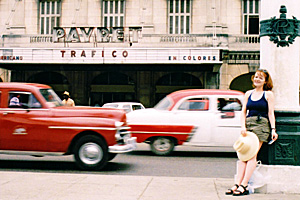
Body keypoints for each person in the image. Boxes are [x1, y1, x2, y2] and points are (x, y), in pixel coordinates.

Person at [225, 69, 278, 196]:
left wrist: (273, 130)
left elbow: (271, 113)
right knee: (243, 155)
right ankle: (237, 184)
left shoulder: (268, 94)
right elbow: (243, 111)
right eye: (256, 77)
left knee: (252, 155)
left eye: (261, 77)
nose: (257, 79)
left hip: (261, 125)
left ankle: (244, 185)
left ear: (265, 81)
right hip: (248, 125)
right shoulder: (248, 93)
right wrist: (242, 126)